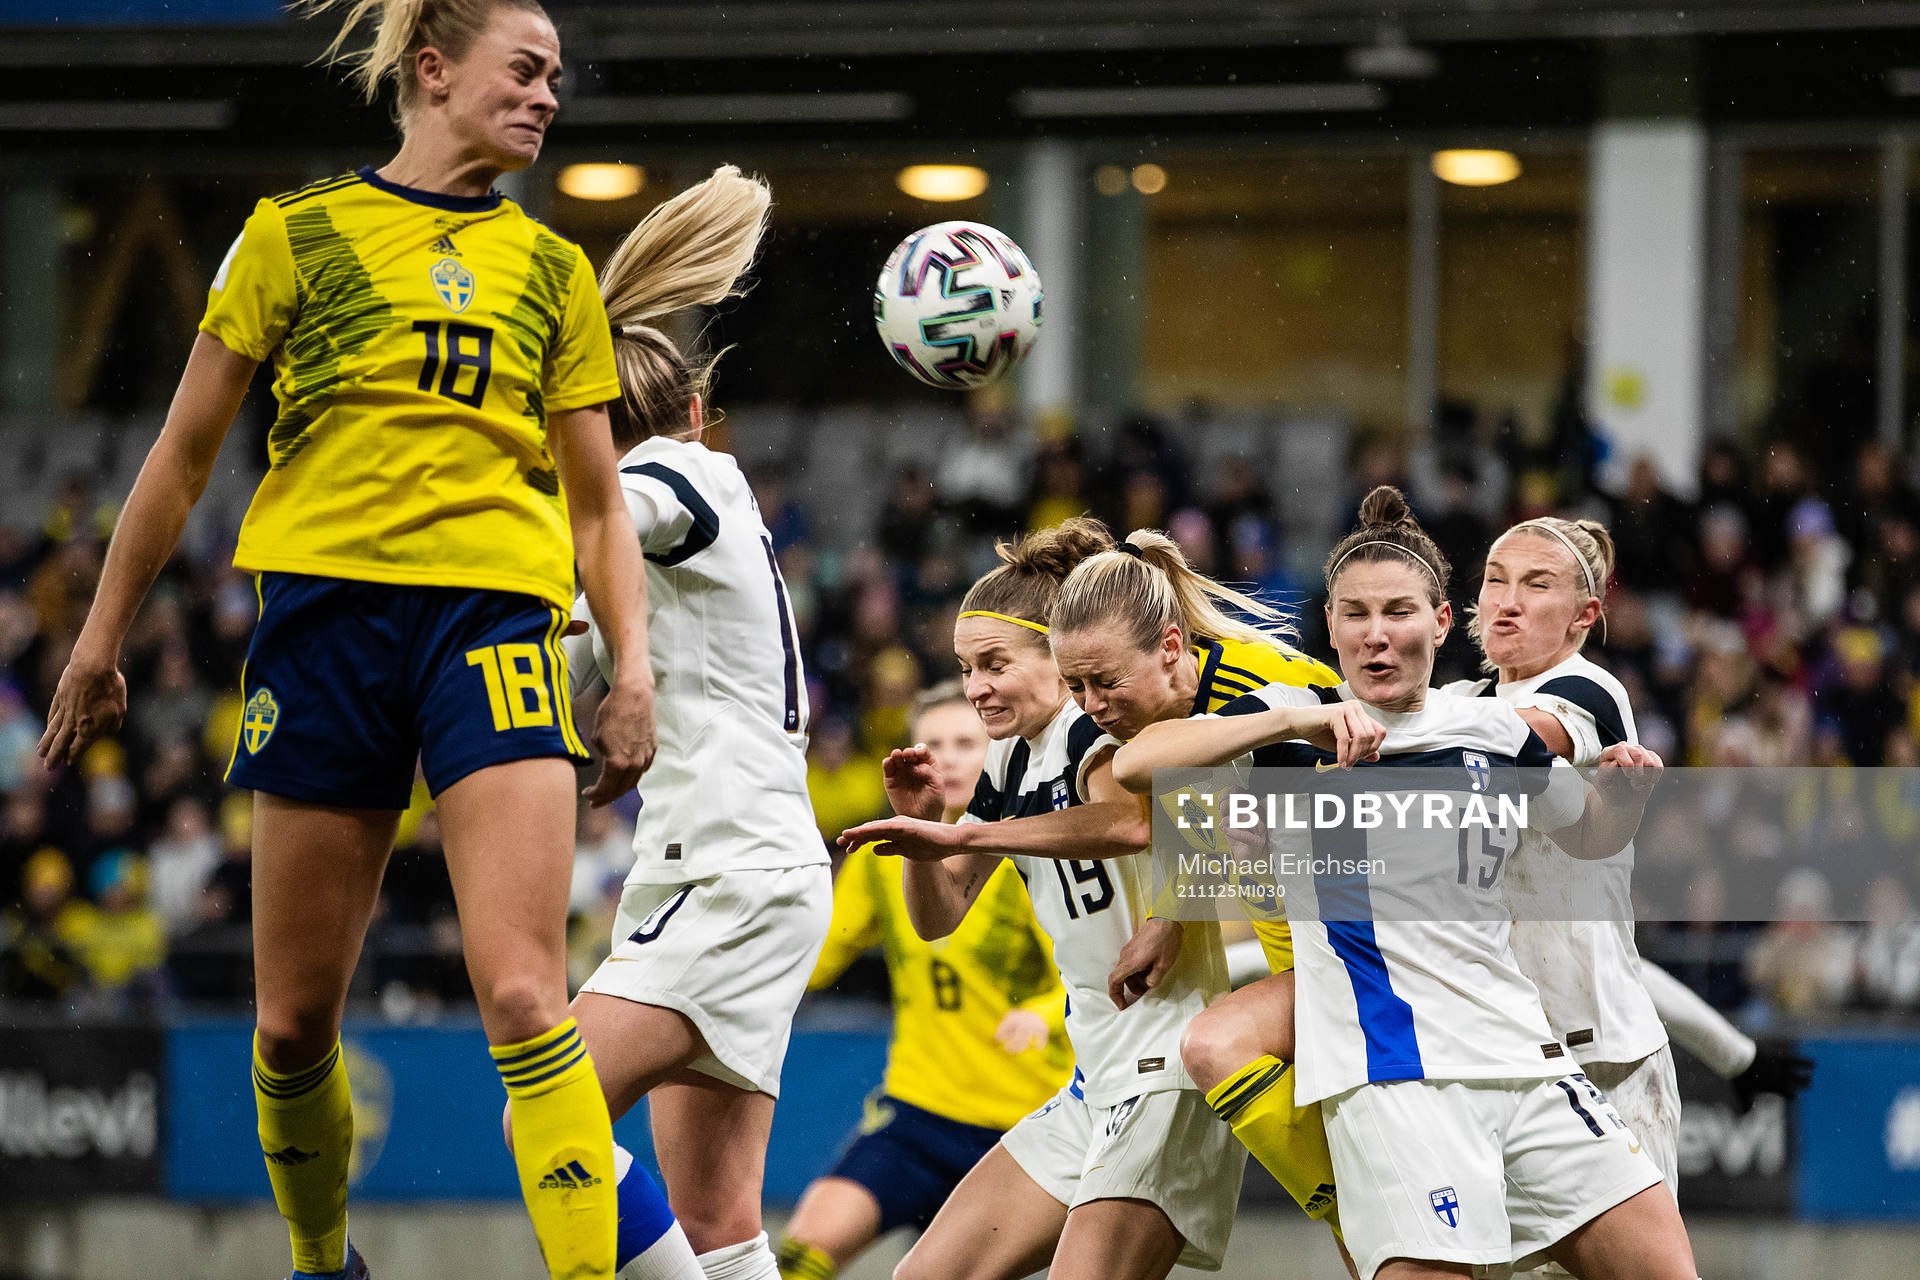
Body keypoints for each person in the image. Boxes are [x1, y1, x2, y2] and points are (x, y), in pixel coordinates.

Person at [37, 2, 653, 1277]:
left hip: (492, 622)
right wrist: (101, 636)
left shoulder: (555, 273)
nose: (549, 97)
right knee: (290, 1021)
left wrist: (631, 666)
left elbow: (599, 504)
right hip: (325, 623)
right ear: (434, 71)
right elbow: (183, 452)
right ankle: (326, 1266)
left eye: (556, 79)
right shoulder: (294, 235)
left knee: (531, 995)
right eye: (524, 72)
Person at [1111, 487, 1696, 1280]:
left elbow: (1586, 830)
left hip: (1529, 1059)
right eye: (1355, 615)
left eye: (1398, 613)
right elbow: (1139, 764)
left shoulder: (1490, 728)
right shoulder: (1291, 728)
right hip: (1398, 1078)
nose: (1377, 636)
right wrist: (1289, 722)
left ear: (1442, 624)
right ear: (1331, 629)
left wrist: (1626, 795)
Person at [840, 518, 1315, 1280]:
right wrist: (931, 832)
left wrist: (973, 839)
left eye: (995, 662)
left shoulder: (1088, 728)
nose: (976, 687)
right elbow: (939, 918)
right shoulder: (1009, 759)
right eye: (965, 668)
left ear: (1055, 657)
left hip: (1165, 1071)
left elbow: (1131, 821)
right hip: (1094, 1080)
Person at [551, 165, 828, 1280]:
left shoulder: (678, 475)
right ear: (697, 399)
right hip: (740, 863)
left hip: (728, 866)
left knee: (548, 1108)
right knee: (718, 1224)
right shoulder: (678, 498)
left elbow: (623, 510)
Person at [1451, 514, 1812, 1203]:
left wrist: (1383, 730)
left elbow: (1513, 739)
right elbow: (1623, 956)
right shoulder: (1461, 704)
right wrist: (1733, 1053)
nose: (1507, 600)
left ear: (1585, 614)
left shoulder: (1586, 690)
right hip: (1495, 1056)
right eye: (1495, 581)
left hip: (1602, 1066)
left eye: (1536, 584)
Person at [777, 681, 1073, 1280]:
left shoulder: (1028, 847)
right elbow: (818, 956)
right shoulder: (884, 857)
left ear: (997, 751)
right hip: (917, 1112)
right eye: (931, 744)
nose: (950, 757)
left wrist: (1039, 1014)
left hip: (1021, 1123)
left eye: (967, 741)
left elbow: (1088, 974)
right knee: (800, 1254)